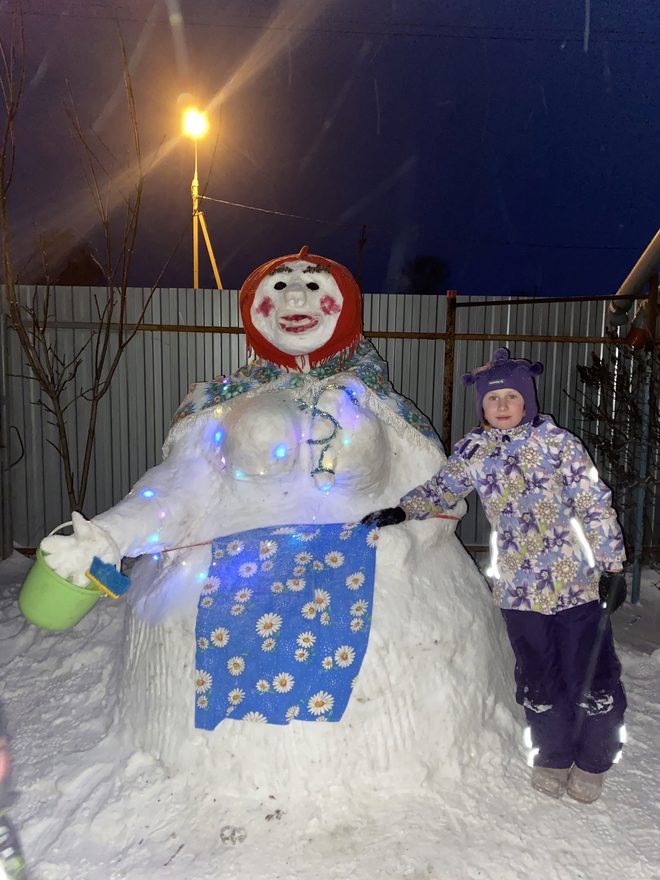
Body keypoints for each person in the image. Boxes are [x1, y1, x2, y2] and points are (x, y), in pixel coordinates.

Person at [362, 348, 628, 803]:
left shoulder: (559, 445)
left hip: (577, 585)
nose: (501, 405)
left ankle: (594, 759)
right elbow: (443, 489)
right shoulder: (474, 451)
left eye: (510, 396)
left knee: (590, 673)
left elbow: (593, 501)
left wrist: (612, 564)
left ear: (527, 400)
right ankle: (553, 755)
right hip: (519, 590)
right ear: (482, 407)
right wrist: (403, 509)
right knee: (538, 676)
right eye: (492, 399)